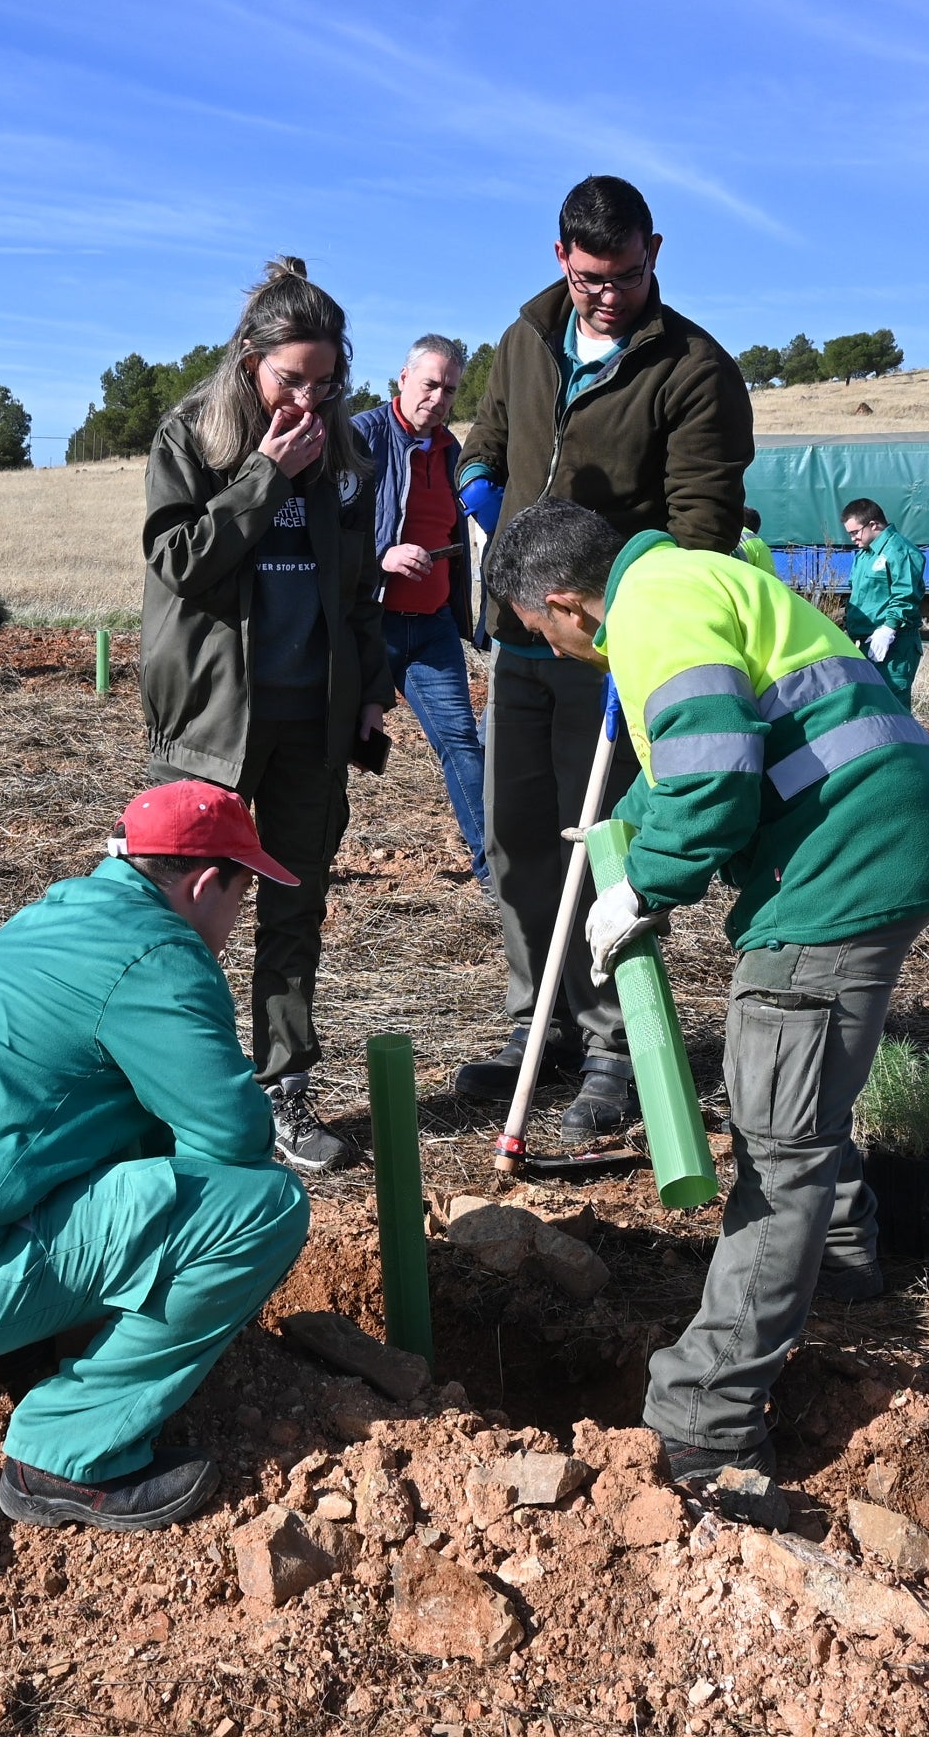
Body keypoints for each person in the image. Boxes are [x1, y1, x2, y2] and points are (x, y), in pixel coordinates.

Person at [485, 498, 929, 1484]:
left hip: (846, 859)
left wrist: (642, 886)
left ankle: (706, 1414)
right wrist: (624, 828)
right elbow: (691, 758)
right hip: (888, 826)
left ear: (567, 603)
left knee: (779, 1138)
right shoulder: (693, 578)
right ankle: (836, 1258)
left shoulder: (653, 613)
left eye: (544, 633)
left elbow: (712, 779)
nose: (561, 653)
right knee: (800, 1097)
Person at [0, 781, 312, 1531]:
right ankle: (64, 1454)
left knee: (92, 1116)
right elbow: (234, 1142)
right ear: (207, 883)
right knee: (263, 1208)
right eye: (242, 897)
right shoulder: (159, 955)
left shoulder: (59, 913)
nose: (238, 923)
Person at [450, 176, 754, 1140]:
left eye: (624, 275)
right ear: (560, 260)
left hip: (611, 647)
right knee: (516, 839)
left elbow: (703, 527)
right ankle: (536, 1021)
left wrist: (637, 623)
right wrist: (477, 484)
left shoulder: (694, 370)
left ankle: (613, 1046)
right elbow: (486, 441)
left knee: (604, 848)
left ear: (654, 252)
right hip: (518, 633)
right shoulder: (525, 338)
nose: (608, 295)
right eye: (590, 278)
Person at [141, 258, 393, 1174]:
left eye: (326, 383)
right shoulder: (193, 438)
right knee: (178, 913)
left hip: (310, 722)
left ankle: (283, 1089)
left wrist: (370, 691)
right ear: (250, 359)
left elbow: (358, 592)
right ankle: (174, 1100)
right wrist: (263, 477)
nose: (309, 400)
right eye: (292, 380)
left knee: (294, 906)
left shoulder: (345, 454)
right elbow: (179, 562)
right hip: (212, 721)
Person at [350, 337, 487, 888]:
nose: (439, 397)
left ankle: (494, 872)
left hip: (431, 627)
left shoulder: (453, 452)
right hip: (367, 624)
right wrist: (380, 557)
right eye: (430, 384)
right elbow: (325, 529)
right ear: (403, 378)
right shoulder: (360, 436)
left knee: (461, 744)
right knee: (328, 748)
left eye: (449, 389)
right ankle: (302, 867)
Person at [841, 497, 926, 703]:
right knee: (871, 707)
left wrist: (889, 628)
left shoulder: (900, 551)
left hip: (894, 645)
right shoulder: (864, 555)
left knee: (892, 707)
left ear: (873, 524)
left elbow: (905, 594)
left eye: (855, 532)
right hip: (867, 643)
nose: (853, 538)